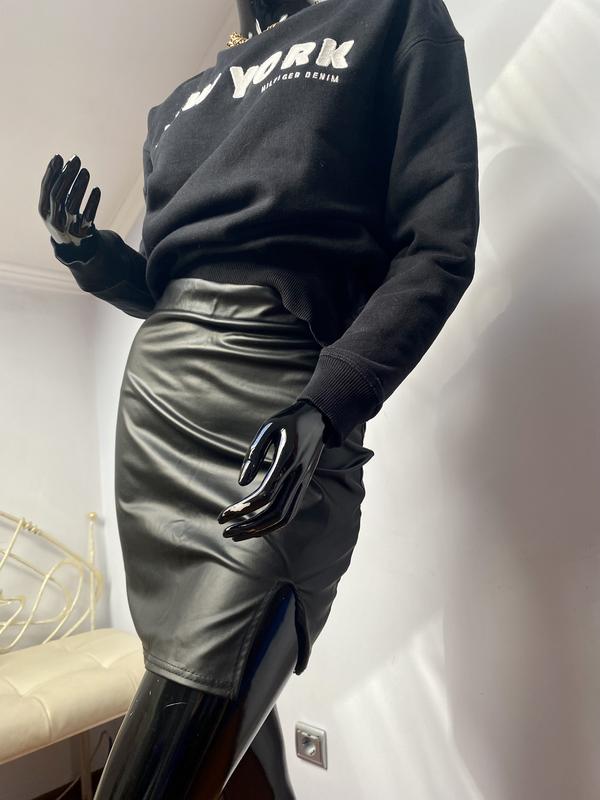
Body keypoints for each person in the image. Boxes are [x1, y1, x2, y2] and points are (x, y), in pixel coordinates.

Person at [38, 0, 480, 796]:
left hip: (285, 401)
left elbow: (437, 248)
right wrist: (95, 258)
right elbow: (171, 284)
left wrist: (326, 404)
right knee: (229, 725)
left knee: (189, 713)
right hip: (158, 420)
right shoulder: (177, 104)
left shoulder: (387, 18)